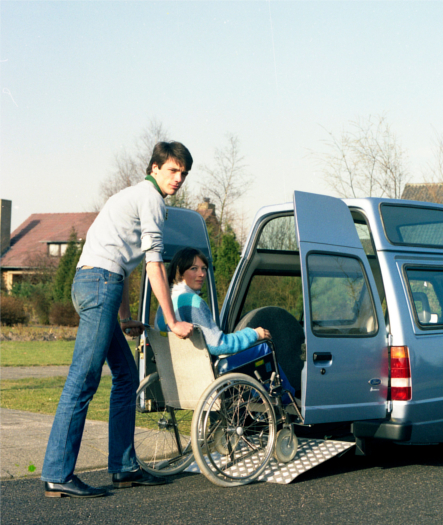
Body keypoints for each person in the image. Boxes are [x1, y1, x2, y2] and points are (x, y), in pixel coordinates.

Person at [42, 142, 195, 498]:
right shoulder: (152, 199)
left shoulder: (130, 195)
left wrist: (125, 317)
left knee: (126, 374)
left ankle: (124, 467)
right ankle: (57, 473)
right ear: (154, 168)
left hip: (93, 282)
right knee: (84, 379)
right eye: (173, 170)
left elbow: (121, 264)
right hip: (100, 285)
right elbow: (154, 266)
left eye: (184, 173)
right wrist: (172, 321)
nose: (178, 178)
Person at [155, 247, 295, 398]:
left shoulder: (164, 305)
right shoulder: (192, 301)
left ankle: (260, 399)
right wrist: (254, 333)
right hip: (212, 370)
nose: (202, 274)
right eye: (194, 268)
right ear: (180, 272)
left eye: (204, 268)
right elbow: (218, 345)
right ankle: (288, 400)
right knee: (263, 348)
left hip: (181, 372)